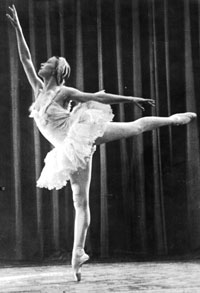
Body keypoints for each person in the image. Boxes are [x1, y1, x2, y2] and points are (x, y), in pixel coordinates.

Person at [7, 5, 196, 282]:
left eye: (47, 62)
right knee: (79, 201)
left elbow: (101, 98)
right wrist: (17, 27)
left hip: (80, 134)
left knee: (135, 126)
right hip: (68, 151)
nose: (41, 64)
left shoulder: (64, 91)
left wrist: (132, 100)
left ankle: (174, 119)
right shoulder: (38, 88)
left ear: (57, 70)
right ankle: (77, 254)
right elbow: (25, 57)